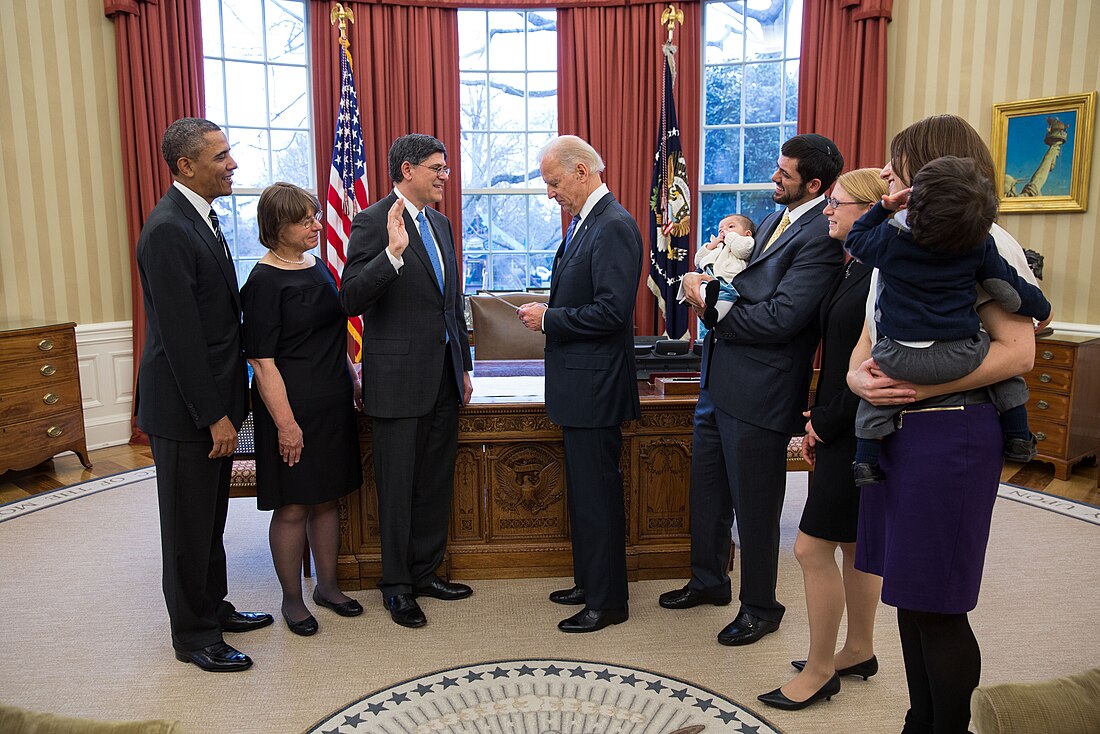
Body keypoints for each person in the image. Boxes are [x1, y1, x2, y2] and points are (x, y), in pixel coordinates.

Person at [847, 114, 1042, 734]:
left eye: (896, 168)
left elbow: (1018, 352)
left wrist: (917, 386)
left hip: (950, 435)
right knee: (909, 595)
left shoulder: (984, 240)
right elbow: (874, 331)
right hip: (900, 434)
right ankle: (919, 720)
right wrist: (858, 378)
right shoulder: (905, 235)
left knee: (941, 606)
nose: (884, 176)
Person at [660, 134, 845, 647]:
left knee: (756, 507)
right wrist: (711, 286)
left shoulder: (822, 239)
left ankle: (761, 606)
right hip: (720, 379)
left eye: (784, 173)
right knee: (709, 492)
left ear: (814, 183)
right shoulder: (769, 222)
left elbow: (783, 318)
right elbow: (746, 286)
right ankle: (709, 580)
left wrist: (708, 303)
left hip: (763, 390)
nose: (773, 177)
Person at [135, 117, 271, 673]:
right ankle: (194, 637)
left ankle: (212, 607)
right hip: (187, 408)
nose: (232, 164)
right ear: (186, 166)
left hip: (212, 401)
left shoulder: (201, 219)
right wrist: (214, 416)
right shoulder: (168, 228)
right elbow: (182, 337)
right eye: (221, 156)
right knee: (188, 528)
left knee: (210, 518)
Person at [755, 168, 887, 711]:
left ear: (872, 210)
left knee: (810, 548)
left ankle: (820, 669)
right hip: (839, 420)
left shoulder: (881, 272)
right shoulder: (853, 265)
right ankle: (858, 648)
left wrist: (823, 423)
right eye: (828, 202)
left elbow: (877, 365)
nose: (828, 211)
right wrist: (821, 412)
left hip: (855, 428)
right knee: (853, 544)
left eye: (838, 204)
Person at [844, 156, 1051, 485]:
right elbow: (1008, 289)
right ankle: (1018, 434)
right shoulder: (979, 244)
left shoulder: (891, 240)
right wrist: (1042, 308)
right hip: (958, 356)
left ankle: (865, 461)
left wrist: (883, 209)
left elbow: (855, 242)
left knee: (877, 388)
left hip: (899, 356)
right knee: (1003, 371)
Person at [339, 134, 474, 629]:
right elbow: (350, 297)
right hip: (396, 379)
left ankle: (424, 572)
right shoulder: (373, 222)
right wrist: (392, 255)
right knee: (396, 486)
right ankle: (396, 586)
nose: (444, 176)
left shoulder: (440, 223)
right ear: (408, 170)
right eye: (437, 168)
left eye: (445, 168)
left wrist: (463, 365)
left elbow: (450, 300)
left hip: (442, 376)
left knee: (433, 481)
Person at [517, 135, 643, 633]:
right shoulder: (586, 222)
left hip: (596, 388)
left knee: (599, 497)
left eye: (553, 182)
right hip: (579, 386)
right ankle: (590, 582)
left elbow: (613, 312)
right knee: (585, 495)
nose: (550, 193)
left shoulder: (613, 224)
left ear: (582, 171)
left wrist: (550, 319)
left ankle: (607, 602)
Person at [241, 183, 364, 637]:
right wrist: (286, 425)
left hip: (331, 399)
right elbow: (262, 361)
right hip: (289, 408)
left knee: (327, 497)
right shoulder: (262, 282)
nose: (317, 225)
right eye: (305, 220)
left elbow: (333, 336)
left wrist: (351, 381)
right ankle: (292, 598)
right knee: (293, 505)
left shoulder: (316, 268)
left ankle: (327, 587)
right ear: (277, 228)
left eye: (316, 216)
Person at [675, 214, 756, 328]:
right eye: (720, 229)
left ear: (747, 233)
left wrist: (730, 237)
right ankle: (696, 298)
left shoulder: (745, 241)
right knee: (699, 285)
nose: (724, 230)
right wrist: (711, 245)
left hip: (728, 280)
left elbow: (742, 251)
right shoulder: (718, 245)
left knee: (726, 300)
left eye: (731, 227)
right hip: (709, 276)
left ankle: (713, 317)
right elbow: (698, 260)